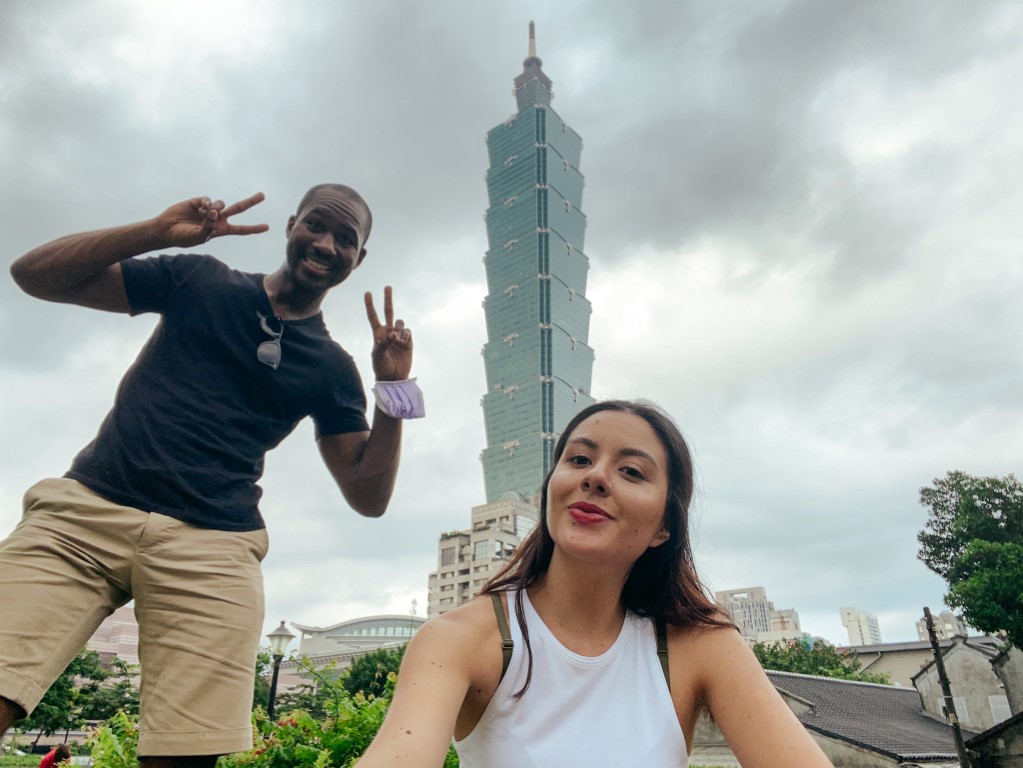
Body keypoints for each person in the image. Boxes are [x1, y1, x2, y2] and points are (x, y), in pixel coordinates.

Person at [1, 185, 420, 768]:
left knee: (183, 756)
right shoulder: (201, 279)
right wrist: (154, 230)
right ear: (292, 224)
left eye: (346, 238)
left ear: (360, 258)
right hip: (85, 515)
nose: (327, 244)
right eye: (318, 226)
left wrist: (395, 389)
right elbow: (33, 275)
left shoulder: (332, 368)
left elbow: (369, 497)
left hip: (214, 546)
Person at [355, 400, 834, 768]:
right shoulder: (461, 639)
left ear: (664, 527)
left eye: (631, 471)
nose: (597, 477)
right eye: (579, 459)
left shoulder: (702, 645)